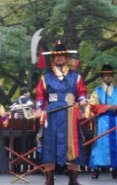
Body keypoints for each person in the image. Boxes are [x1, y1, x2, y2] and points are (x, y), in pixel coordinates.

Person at [34, 40, 88, 185]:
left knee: (72, 144)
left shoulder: (75, 76)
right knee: (50, 144)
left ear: (67, 58)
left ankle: (73, 179)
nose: (60, 58)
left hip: (70, 112)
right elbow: (40, 96)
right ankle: (49, 179)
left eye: (63, 56)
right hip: (52, 113)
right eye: (57, 57)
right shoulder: (45, 77)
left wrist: (82, 100)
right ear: (52, 59)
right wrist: (39, 108)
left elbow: (82, 93)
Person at [87, 65, 117, 180]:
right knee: (100, 144)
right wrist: (105, 108)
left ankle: (115, 170)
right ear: (102, 77)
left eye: (109, 75)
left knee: (116, 144)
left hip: (115, 120)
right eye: (105, 75)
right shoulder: (97, 91)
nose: (108, 77)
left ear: (112, 76)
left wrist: (116, 107)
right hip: (103, 121)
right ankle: (96, 170)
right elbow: (92, 106)